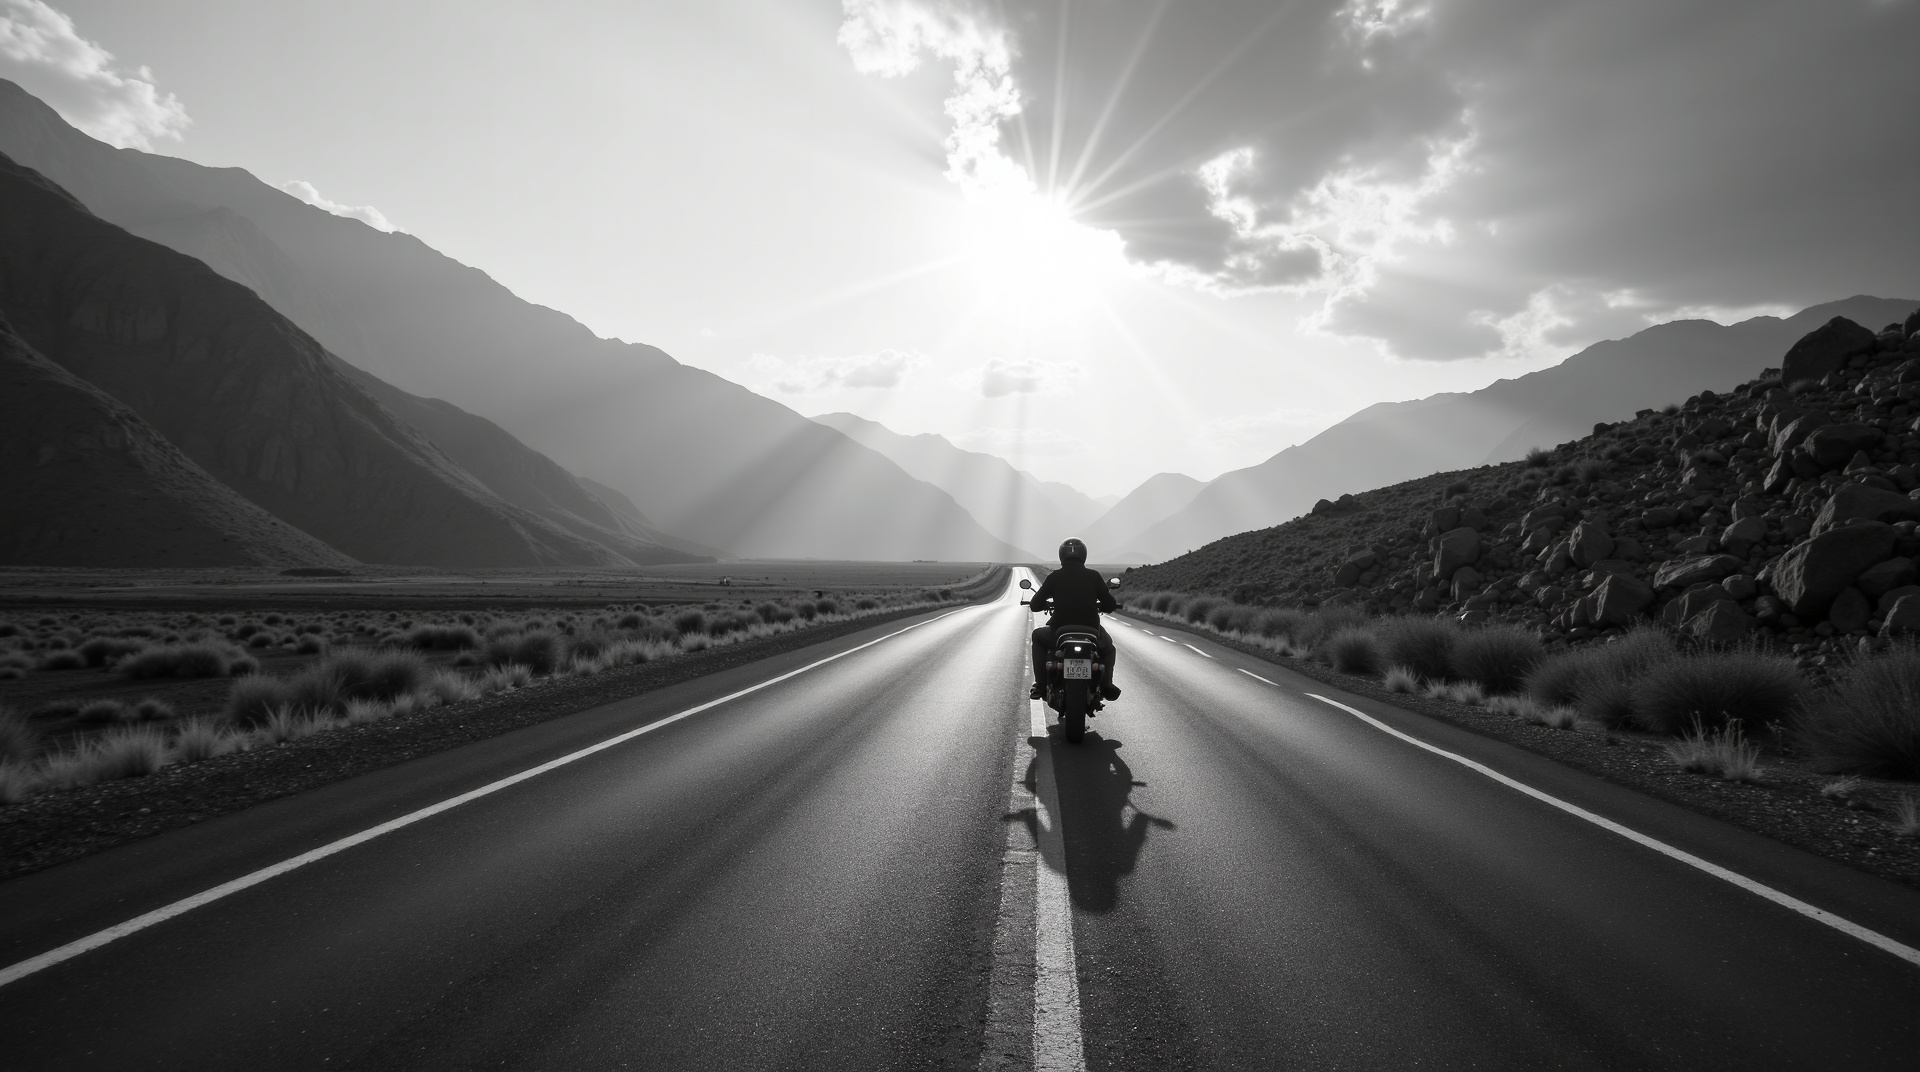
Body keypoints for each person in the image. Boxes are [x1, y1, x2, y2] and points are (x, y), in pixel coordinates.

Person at [1029, 537, 1121, 702]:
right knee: (1108, 649)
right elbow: (1110, 605)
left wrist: (1045, 603)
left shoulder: (1055, 577)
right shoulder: (1094, 576)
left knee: (1037, 636)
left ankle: (1040, 684)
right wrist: (1102, 605)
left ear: (1061, 556)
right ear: (1084, 555)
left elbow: (1035, 605)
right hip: (1091, 630)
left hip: (1059, 630)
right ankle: (1107, 685)